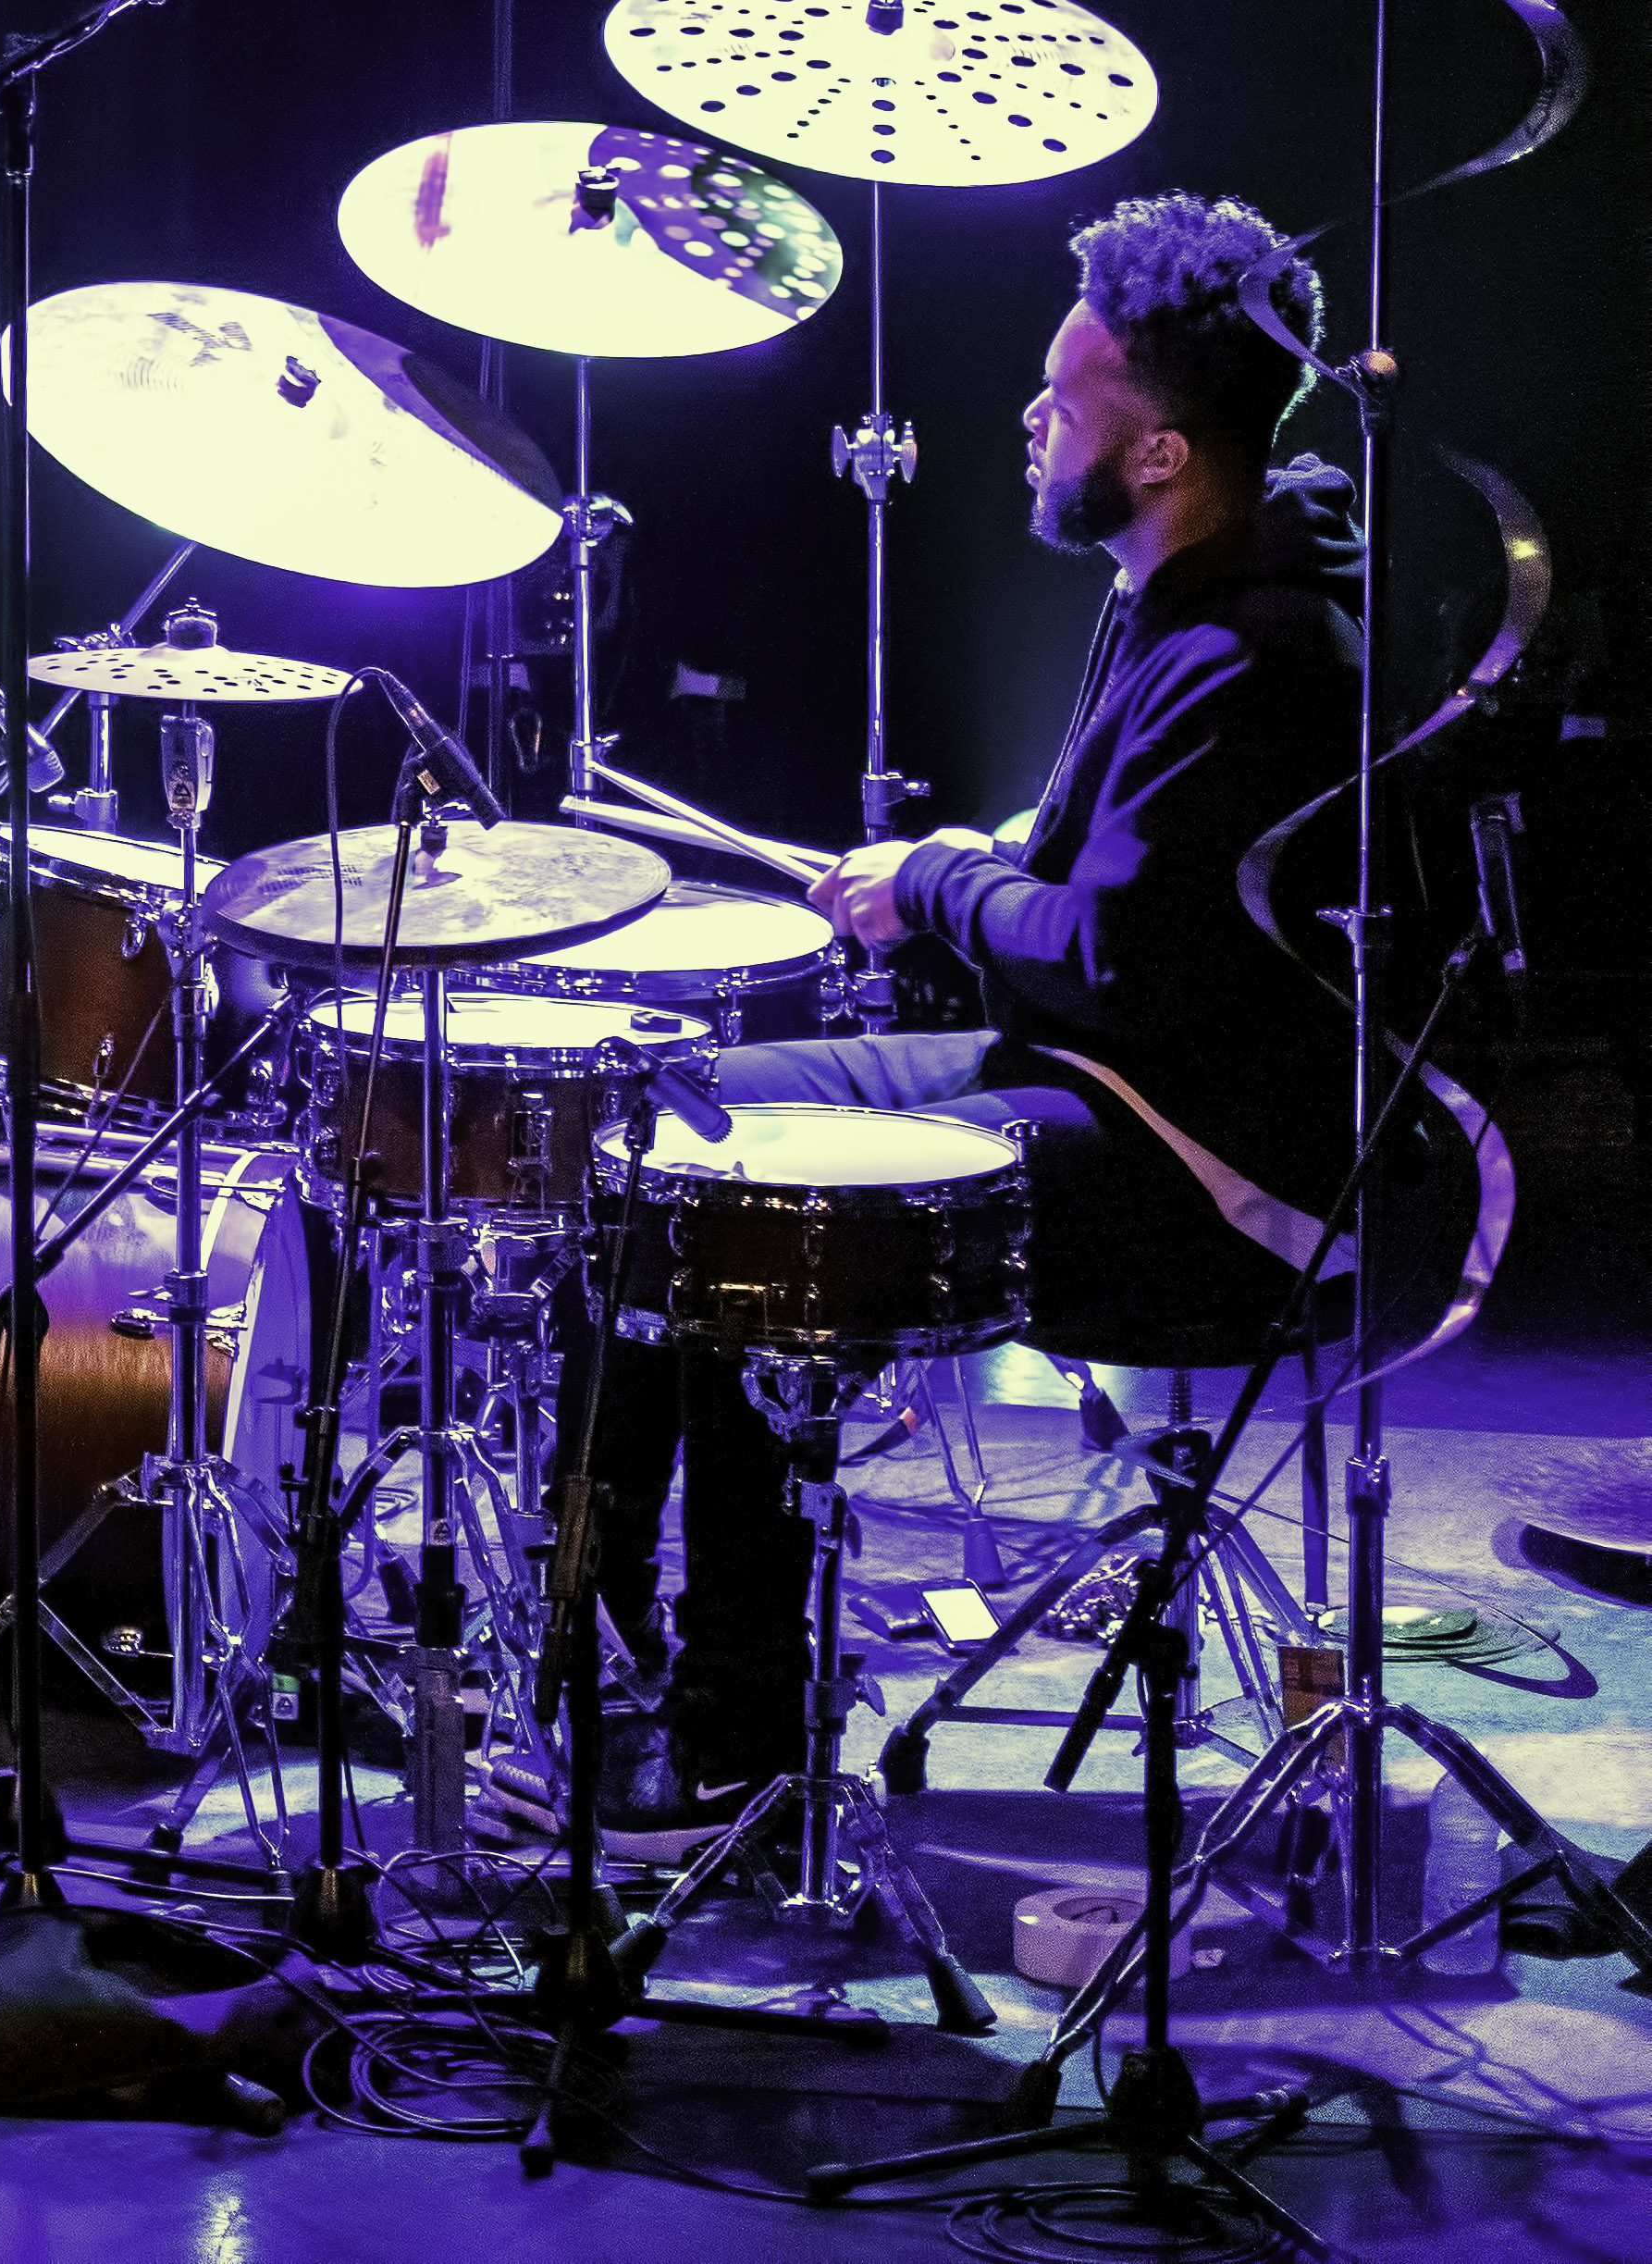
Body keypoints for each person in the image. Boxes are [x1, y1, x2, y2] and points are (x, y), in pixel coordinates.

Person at [571, 190, 1361, 1855]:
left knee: (744, 1203)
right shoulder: (1173, 580)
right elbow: (1111, 855)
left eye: (1060, 399)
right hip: (1105, 1072)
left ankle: (731, 1738)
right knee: (670, 1114)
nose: (1025, 416)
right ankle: (600, 1647)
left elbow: (1118, 961)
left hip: (1204, 1172)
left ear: (1153, 452)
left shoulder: (1256, 643)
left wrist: (935, 884)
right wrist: (986, 850)